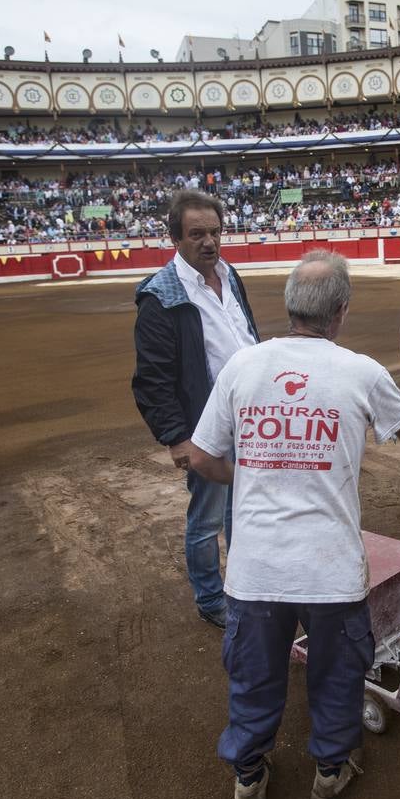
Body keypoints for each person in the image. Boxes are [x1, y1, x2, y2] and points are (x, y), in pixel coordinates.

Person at [189, 250, 400, 799]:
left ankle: (249, 778)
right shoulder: (362, 371)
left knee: (254, 676)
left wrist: (252, 471)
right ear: (341, 311)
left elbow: (200, 456)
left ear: (289, 306)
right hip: (330, 568)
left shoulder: (243, 366)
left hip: (256, 569)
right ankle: (329, 769)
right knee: (337, 675)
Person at [132, 190, 259, 628]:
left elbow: (248, 337)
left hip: (251, 419)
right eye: (197, 234)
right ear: (176, 239)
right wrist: (177, 438)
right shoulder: (160, 296)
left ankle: (244, 586)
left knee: (243, 509)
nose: (209, 242)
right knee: (206, 519)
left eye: (215, 232)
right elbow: (152, 379)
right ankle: (210, 599)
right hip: (206, 428)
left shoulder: (230, 274)